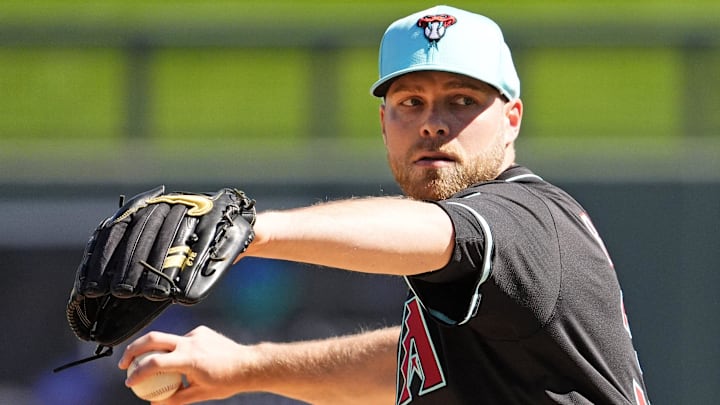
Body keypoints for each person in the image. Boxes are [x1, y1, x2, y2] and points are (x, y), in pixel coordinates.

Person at [118, 5, 650, 404]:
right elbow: (415, 362)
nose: (432, 122)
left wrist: (252, 231)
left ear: (512, 118)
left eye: (462, 100)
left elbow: (441, 232)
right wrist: (247, 366)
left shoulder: (528, 218)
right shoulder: (484, 300)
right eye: (410, 102)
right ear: (383, 123)